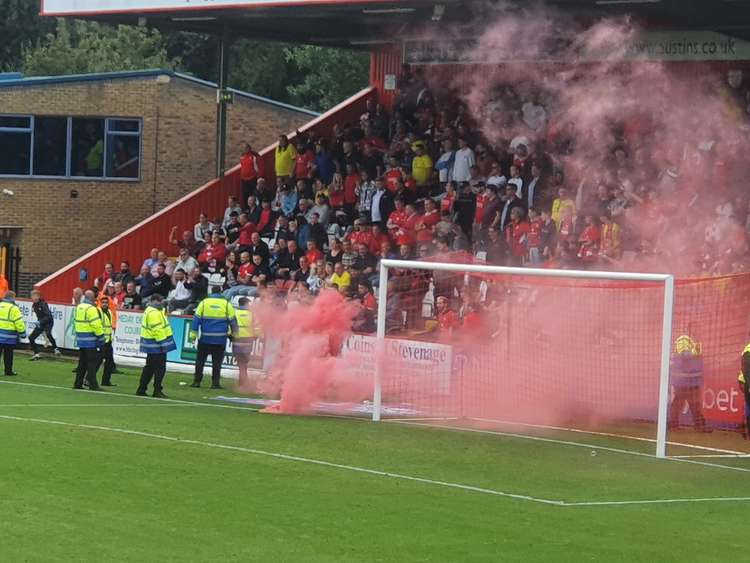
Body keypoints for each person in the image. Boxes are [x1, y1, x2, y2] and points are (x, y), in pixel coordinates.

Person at [190, 287, 237, 389]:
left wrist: (193, 335)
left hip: (205, 339)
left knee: (200, 361)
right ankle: (215, 383)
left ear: (211, 292)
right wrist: (234, 334)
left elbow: (195, 320)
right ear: (221, 292)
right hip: (220, 340)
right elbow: (233, 321)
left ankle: (197, 382)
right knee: (217, 363)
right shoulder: (226, 304)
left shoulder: (204, 303)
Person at [136, 294, 176, 398]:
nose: (162, 303)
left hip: (151, 344)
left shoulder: (154, 311)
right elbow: (157, 329)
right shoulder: (154, 312)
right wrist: (163, 343)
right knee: (159, 368)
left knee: (149, 367)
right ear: (154, 301)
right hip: (156, 344)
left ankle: (142, 388)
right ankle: (157, 390)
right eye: (160, 301)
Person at [668, 334, 708, 432]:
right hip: (682, 382)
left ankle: (699, 426)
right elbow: (684, 355)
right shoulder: (683, 339)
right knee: (679, 404)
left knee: (694, 404)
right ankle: (673, 425)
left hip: (692, 381)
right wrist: (695, 352)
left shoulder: (692, 343)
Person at [73, 290, 104, 391]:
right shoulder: (91, 309)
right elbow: (96, 324)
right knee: (91, 363)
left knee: (82, 363)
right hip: (90, 340)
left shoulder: (79, 307)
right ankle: (92, 384)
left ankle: (78, 383)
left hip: (81, 339)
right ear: (92, 298)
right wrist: (101, 337)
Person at [28, 290, 61, 360]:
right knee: (31, 337)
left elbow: (48, 316)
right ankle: (36, 354)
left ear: (38, 297)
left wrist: (40, 322)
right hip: (41, 323)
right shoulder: (34, 306)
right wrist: (39, 322)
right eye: (32, 296)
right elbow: (39, 316)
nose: (33, 298)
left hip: (49, 322)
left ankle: (56, 349)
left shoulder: (43, 304)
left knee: (48, 333)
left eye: (35, 296)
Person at [232, 296, 256, 389]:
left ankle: (242, 381)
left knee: (240, 362)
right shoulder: (251, 314)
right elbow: (256, 326)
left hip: (237, 340)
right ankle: (243, 381)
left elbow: (231, 325)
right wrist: (257, 335)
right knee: (245, 362)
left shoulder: (235, 313)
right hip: (248, 340)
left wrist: (231, 335)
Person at [0, 291, 25, 376]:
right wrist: (22, 333)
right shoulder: (14, 308)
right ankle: (8, 371)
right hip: (9, 336)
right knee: (8, 355)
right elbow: (19, 322)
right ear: (12, 298)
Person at [96, 296, 116, 386]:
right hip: (101, 341)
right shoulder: (98, 312)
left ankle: (106, 381)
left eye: (106, 302)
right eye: (103, 302)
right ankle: (88, 378)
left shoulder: (110, 312)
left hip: (108, 341)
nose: (105, 304)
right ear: (100, 303)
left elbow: (110, 327)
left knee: (110, 362)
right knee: (98, 361)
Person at [739, 338, 750, 440]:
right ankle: (744, 426)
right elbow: (746, 370)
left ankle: (742, 425)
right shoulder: (748, 350)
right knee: (748, 404)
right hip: (746, 381)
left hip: (746, 380)